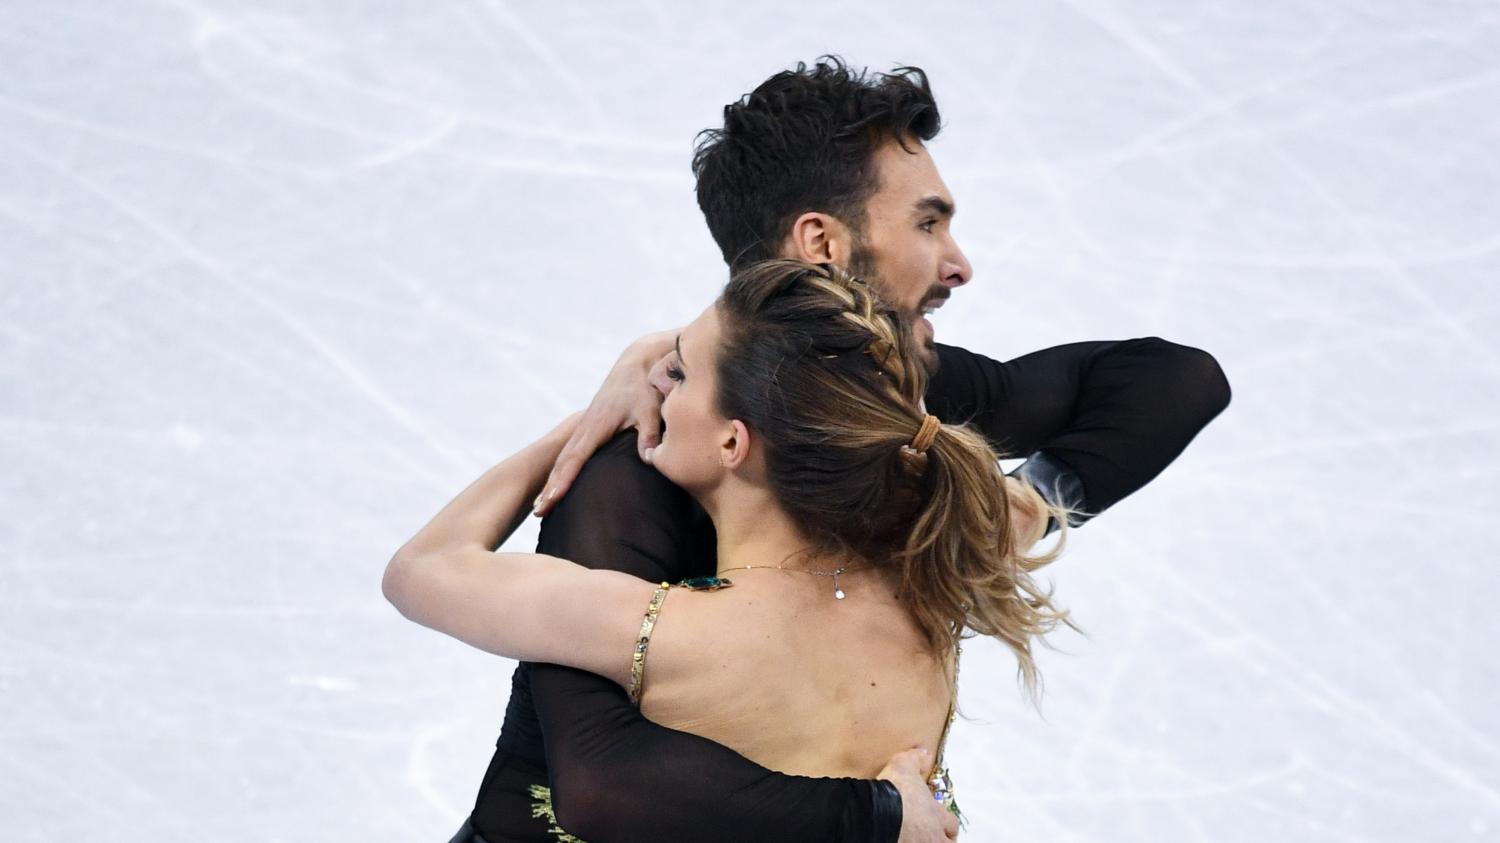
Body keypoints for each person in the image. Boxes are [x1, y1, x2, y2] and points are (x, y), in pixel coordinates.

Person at [461, 58, 1232, 842]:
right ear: (821, 242)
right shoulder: (649, 463)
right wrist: (879, 817)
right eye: (927, 223)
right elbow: (605, 780)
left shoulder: (892, 409)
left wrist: (1025, 507)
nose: (959, 263)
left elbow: (1173, 379)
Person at [387, 260, 1080, 843]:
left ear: (732, 443)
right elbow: (1163, 381)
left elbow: (419, 569)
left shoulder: (665, 629)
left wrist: (580, 428)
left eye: (679, 373)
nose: (657, 383)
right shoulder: (939, 572)